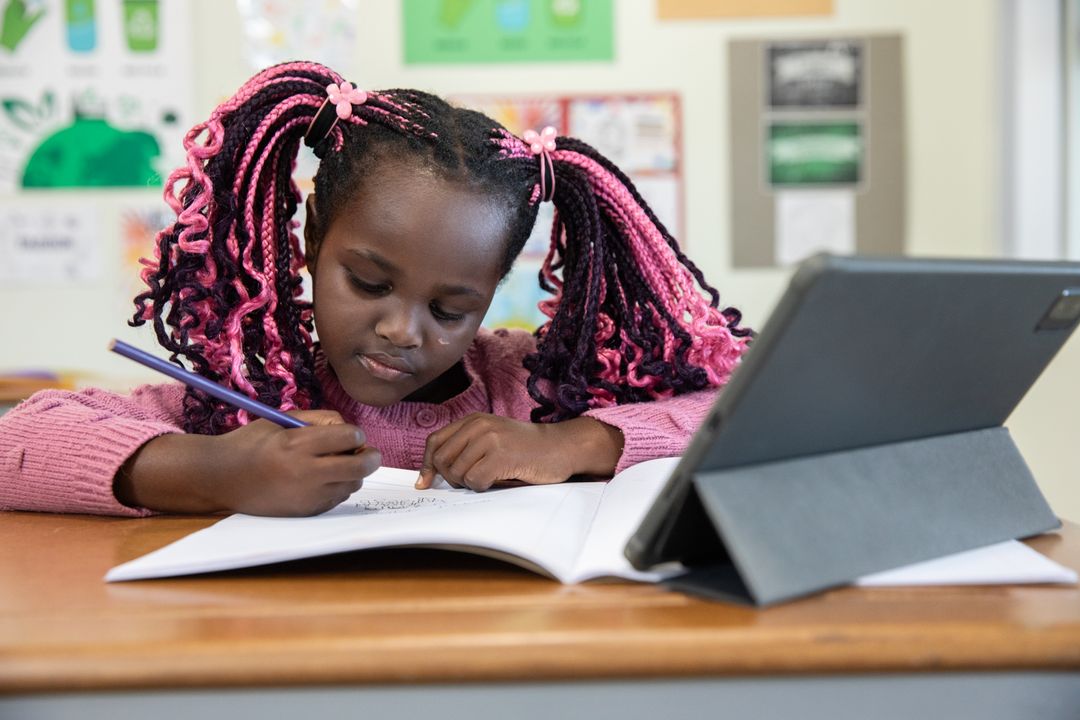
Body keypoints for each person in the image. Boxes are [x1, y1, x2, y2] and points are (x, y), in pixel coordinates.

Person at [0, 61, 750, 518]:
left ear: (492, 294)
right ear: (307, 239)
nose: (402, 330)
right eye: (367, 282)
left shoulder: (531, 387)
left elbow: (745, 408)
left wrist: (573, 442)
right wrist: (215, 472)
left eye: (451, 309)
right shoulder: (238, 394)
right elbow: (16, 443)